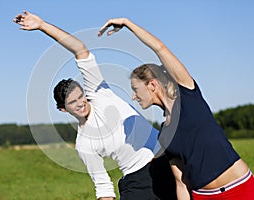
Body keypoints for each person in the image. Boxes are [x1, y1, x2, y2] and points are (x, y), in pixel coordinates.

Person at [13, 11, 177, 200]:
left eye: (81, 96)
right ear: (63, 109)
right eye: (73, 103)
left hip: (167, 158)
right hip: (138, 181)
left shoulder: (99, 93)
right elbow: (103, 185)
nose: (81, 103)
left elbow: (79, 49)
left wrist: (42, 25)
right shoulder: (84, 144)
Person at [98, 18, 254, 200]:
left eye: (135, 89)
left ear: (152, 84)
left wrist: (127, 23)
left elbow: (160, 48)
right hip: (203, 195)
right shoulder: (165, 134)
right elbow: (181, 182)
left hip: (240, 188)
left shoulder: (188, 96)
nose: (133, 96)